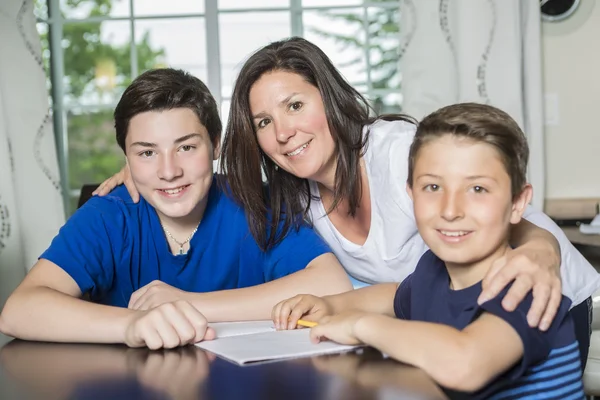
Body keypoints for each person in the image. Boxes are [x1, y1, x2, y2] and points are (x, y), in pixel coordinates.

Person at [95, 37, 600, 361]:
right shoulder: (294, 195)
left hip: (542, 307)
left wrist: (538, 252)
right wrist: (144, 166)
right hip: (448, 322)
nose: (284, 133)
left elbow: (508, 207)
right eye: (265, 122)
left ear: (329, 98)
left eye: (295, 105)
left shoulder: (399, 151)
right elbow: (198, 169)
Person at [0, 68, 352, 350]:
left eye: (185, 147)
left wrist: (190, 302)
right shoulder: (111, 215)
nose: (169, 171)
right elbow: (19, 310)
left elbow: (332, 282)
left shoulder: (255, 204)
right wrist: (133, 324)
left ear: (215, 145)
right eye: (147, 153)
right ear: (127, 158)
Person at [274, 103, 585, 399]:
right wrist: (329, 306)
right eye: (433, 188)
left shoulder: (526, 285)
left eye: (477, 189)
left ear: (518, 202)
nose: (450, 210)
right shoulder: (432, 270)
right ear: (410, 193)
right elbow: (396, 296)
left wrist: (360, 325)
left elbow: (466, 364)